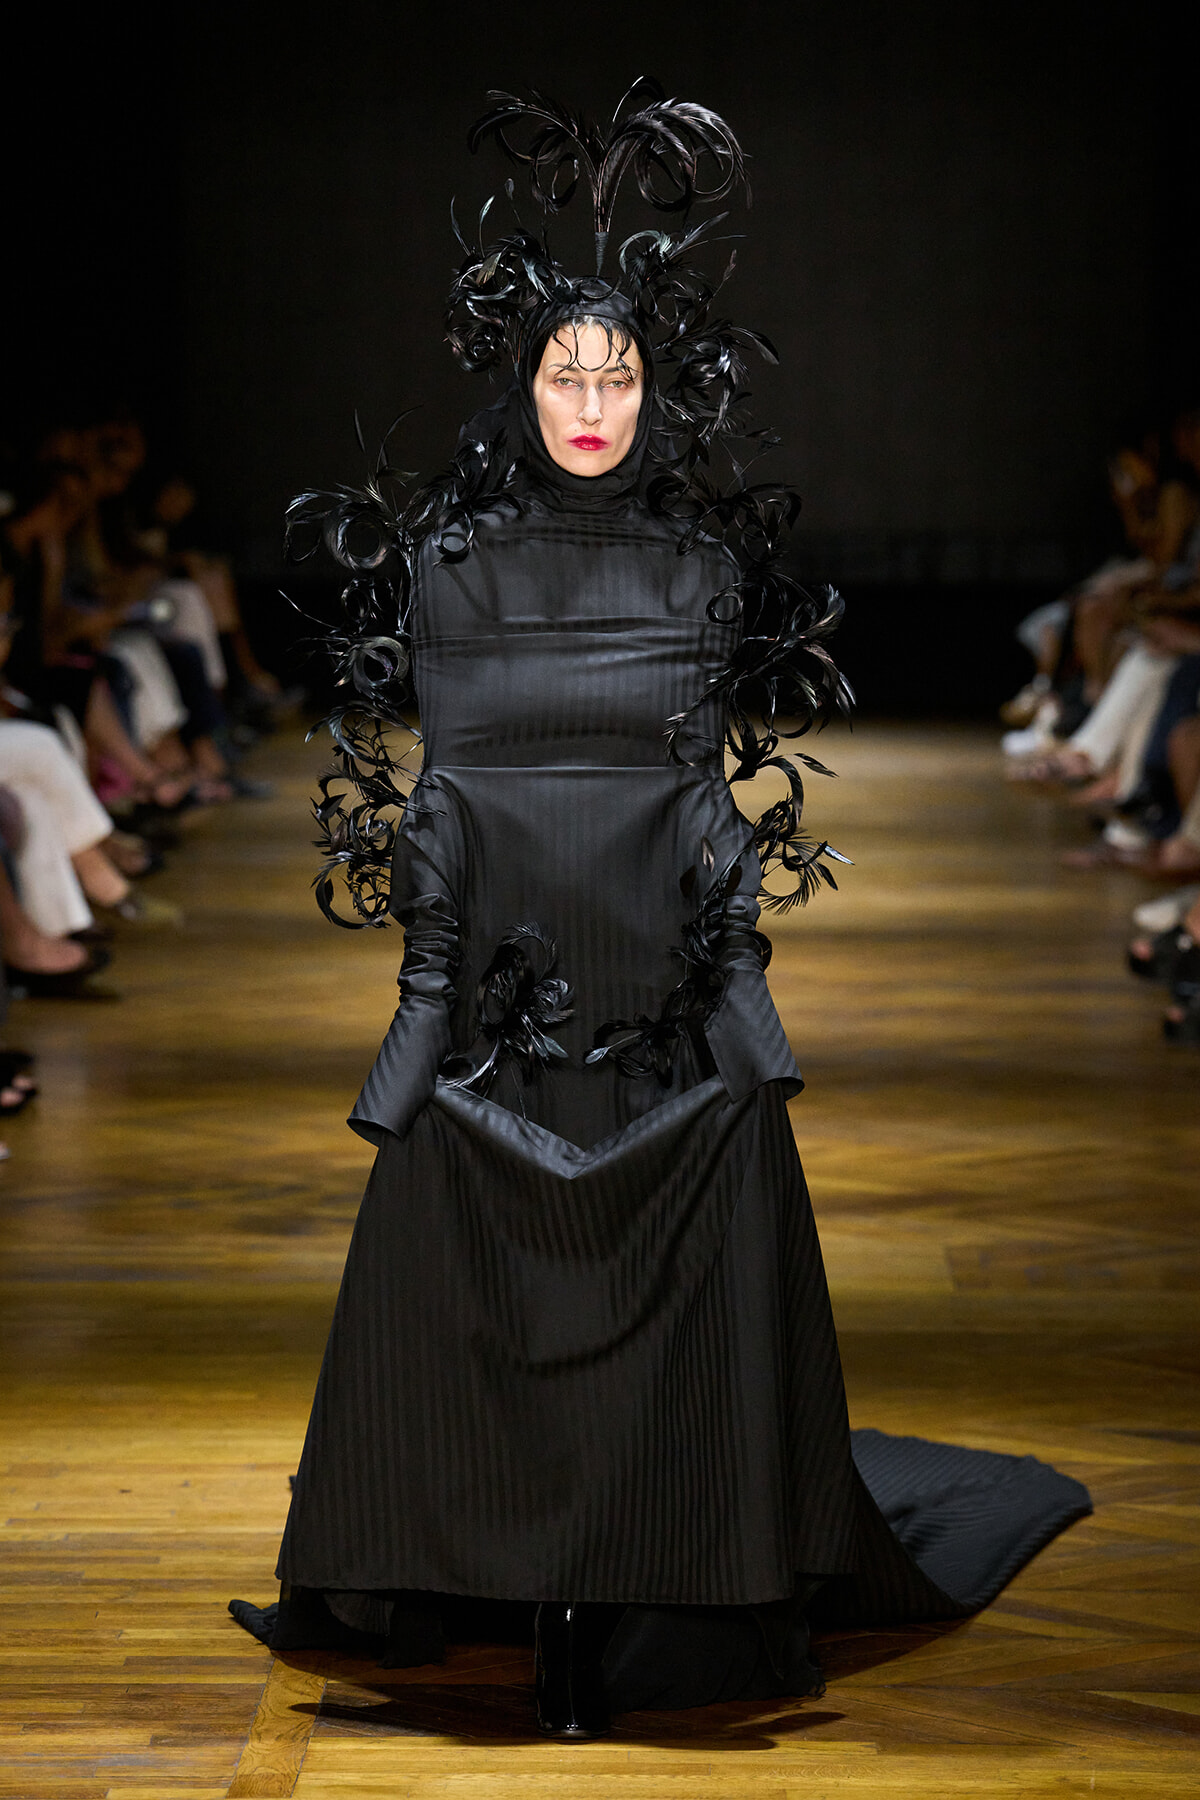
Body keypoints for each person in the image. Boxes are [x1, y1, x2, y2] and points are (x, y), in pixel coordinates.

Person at [231, 84, 1090, 1738]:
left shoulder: (700, 572)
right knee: (480, 1279)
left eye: (619, 374)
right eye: (568, 371)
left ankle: (673, 1563)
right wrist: (423, 996)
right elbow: (451, 784)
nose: (594, 401)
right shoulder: (455, 568)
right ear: (523, 383)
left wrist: (738, 972)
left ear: (654, 390)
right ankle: (473, 1564)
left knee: (681, 1276)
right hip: (497, 968)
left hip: (655, 962)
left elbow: (699, 790)